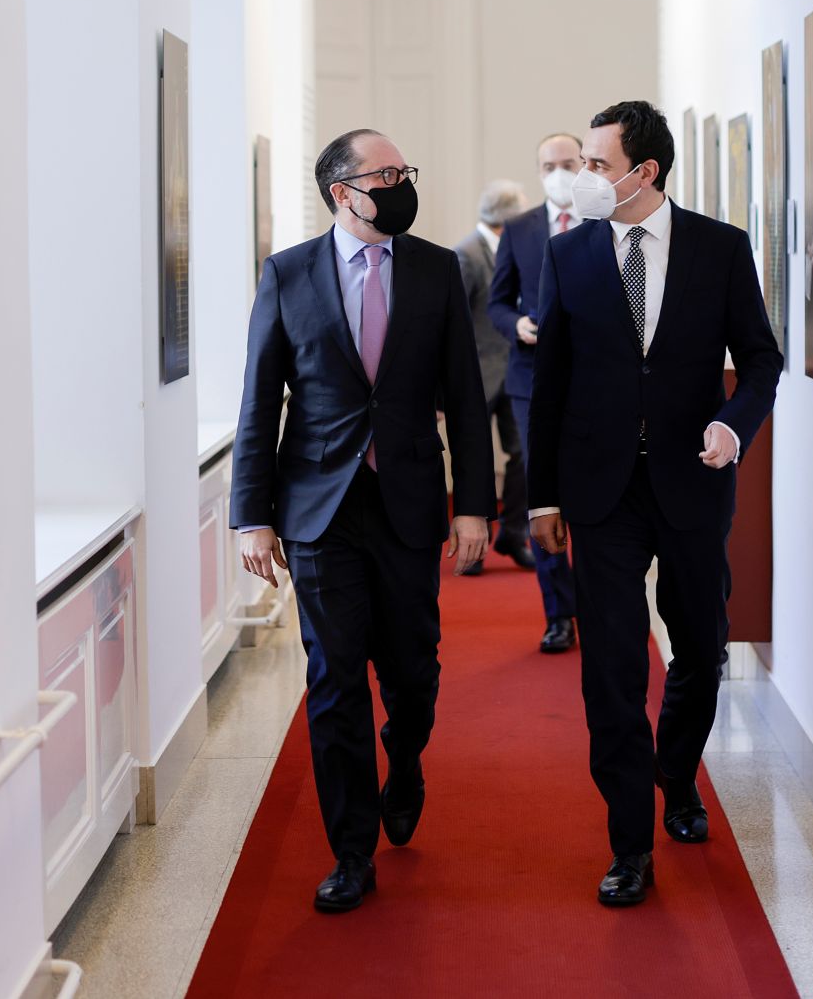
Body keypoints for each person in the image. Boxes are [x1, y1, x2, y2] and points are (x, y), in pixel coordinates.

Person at [230, 129, 492, 914]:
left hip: (409, 501)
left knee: (412, 671)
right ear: (344, 192)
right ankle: (351, 852)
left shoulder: (436, 270)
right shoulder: (287, 275)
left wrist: (474, 503)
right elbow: (258, 401)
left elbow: (466, 397)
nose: (402, 182)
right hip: (318, 508)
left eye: (405, 170)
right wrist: (251, 516)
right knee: (334, 680)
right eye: (387, 173)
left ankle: (404, 759)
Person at [527, 102, 781, 908]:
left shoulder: (719, 248)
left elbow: (764, 362)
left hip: (693, 480)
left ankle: (677, 770)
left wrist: (732, 427)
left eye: (598, 165)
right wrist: (541, 499)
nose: (583, 178)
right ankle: (629, 841)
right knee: (611, 669)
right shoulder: (568, 257)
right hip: (602, 490)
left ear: (647, 173)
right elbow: (550, 386)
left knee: (701, 648)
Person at [487, 133, 584, 651]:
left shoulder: (601, 220)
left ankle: (597, 603)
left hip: (590, 380)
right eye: (549, 165)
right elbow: (497, 301)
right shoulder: (520, 228)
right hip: (529, 378)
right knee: (542, 492)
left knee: (590, 490)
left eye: (568, 163)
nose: (558, 173)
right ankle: (559, 614)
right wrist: (517, 324)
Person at [451, 179, 533, 576]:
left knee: (522, 456)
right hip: (477, 377)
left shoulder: (515, 248)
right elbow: (451, 324)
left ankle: (515, 532)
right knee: (477, 461)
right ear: (507, 216)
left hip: (515, 374)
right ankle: (475, 541)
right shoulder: (464, 255)